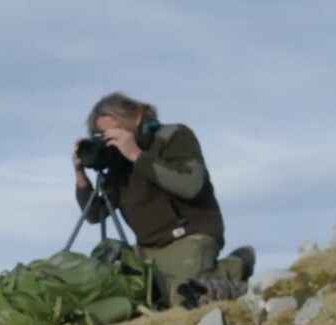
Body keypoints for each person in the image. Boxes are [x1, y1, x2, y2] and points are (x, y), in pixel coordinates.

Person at [72, 92, 254, 307]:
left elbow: (190, 185)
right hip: (148, 247)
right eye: (103, 135)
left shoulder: (174, 136)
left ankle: (235, 266)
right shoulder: (117, 163)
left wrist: (137, 155)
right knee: (137, 299)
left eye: (116, 130)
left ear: (137, 117)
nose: (111, 138)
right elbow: (95, 214)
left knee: (184, 299)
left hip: (189, 235)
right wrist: (81, 175)